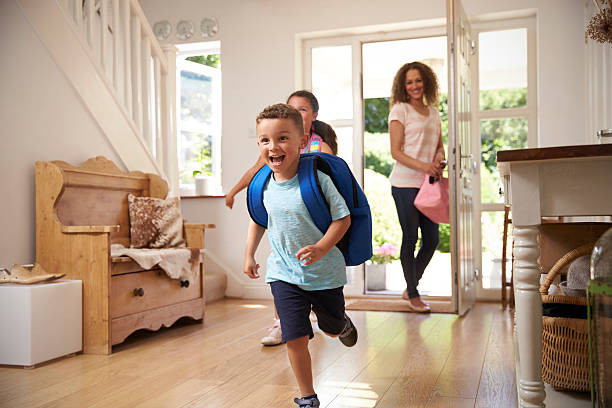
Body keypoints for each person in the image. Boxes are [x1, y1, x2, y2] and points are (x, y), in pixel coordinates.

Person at [244, 103, 357, 408]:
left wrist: (322, 247)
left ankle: (340, 323)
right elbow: (258, 218)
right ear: (259, 145)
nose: (273, 147)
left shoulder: (318, 180)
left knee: (330, 328)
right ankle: (308, 396)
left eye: (282, 138)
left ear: (302, 141)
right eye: (265, 140)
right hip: (283, 273)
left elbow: (343, 219)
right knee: (294, 336)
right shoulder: (262, 185)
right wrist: (249, 255)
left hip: (324, 274)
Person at [225, 90, 338, 346]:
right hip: (285, 243)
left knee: (324, 307)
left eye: (302, 109)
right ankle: (284, 325)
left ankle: (330, 319)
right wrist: (233, 191)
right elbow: (255, 172)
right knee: (284, 282)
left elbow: (335, 186)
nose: (295, 113)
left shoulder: (321, 147)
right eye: (291, 108)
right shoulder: (273, 149)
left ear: (313, 116)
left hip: (315, 234)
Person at [388, 61, 446, 313]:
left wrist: (439, 160)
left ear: (427, 82)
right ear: (403, 85)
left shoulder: (433, 112)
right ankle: (413, 294)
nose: (414, 86)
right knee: (411, 237)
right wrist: (425, 166)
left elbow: (439, 145)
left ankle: (412, 284)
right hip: (404, 184)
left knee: (432, 239)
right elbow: (396, 152)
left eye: (418, 80)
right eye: (409, 81)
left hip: (428, 185)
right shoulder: (399, 110)